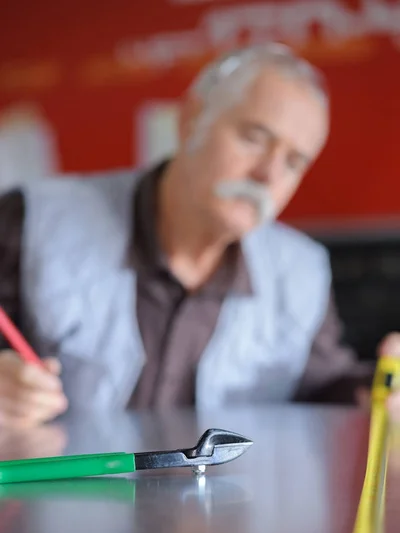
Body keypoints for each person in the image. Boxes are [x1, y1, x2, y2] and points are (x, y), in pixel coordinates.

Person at [0, 42, 398, 429]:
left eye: (294, 162)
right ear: (191, 118)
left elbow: (322, 386)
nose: (268, 175)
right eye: (255, 137)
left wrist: (380, 390)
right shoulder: (33, 220)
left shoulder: (300, 272)